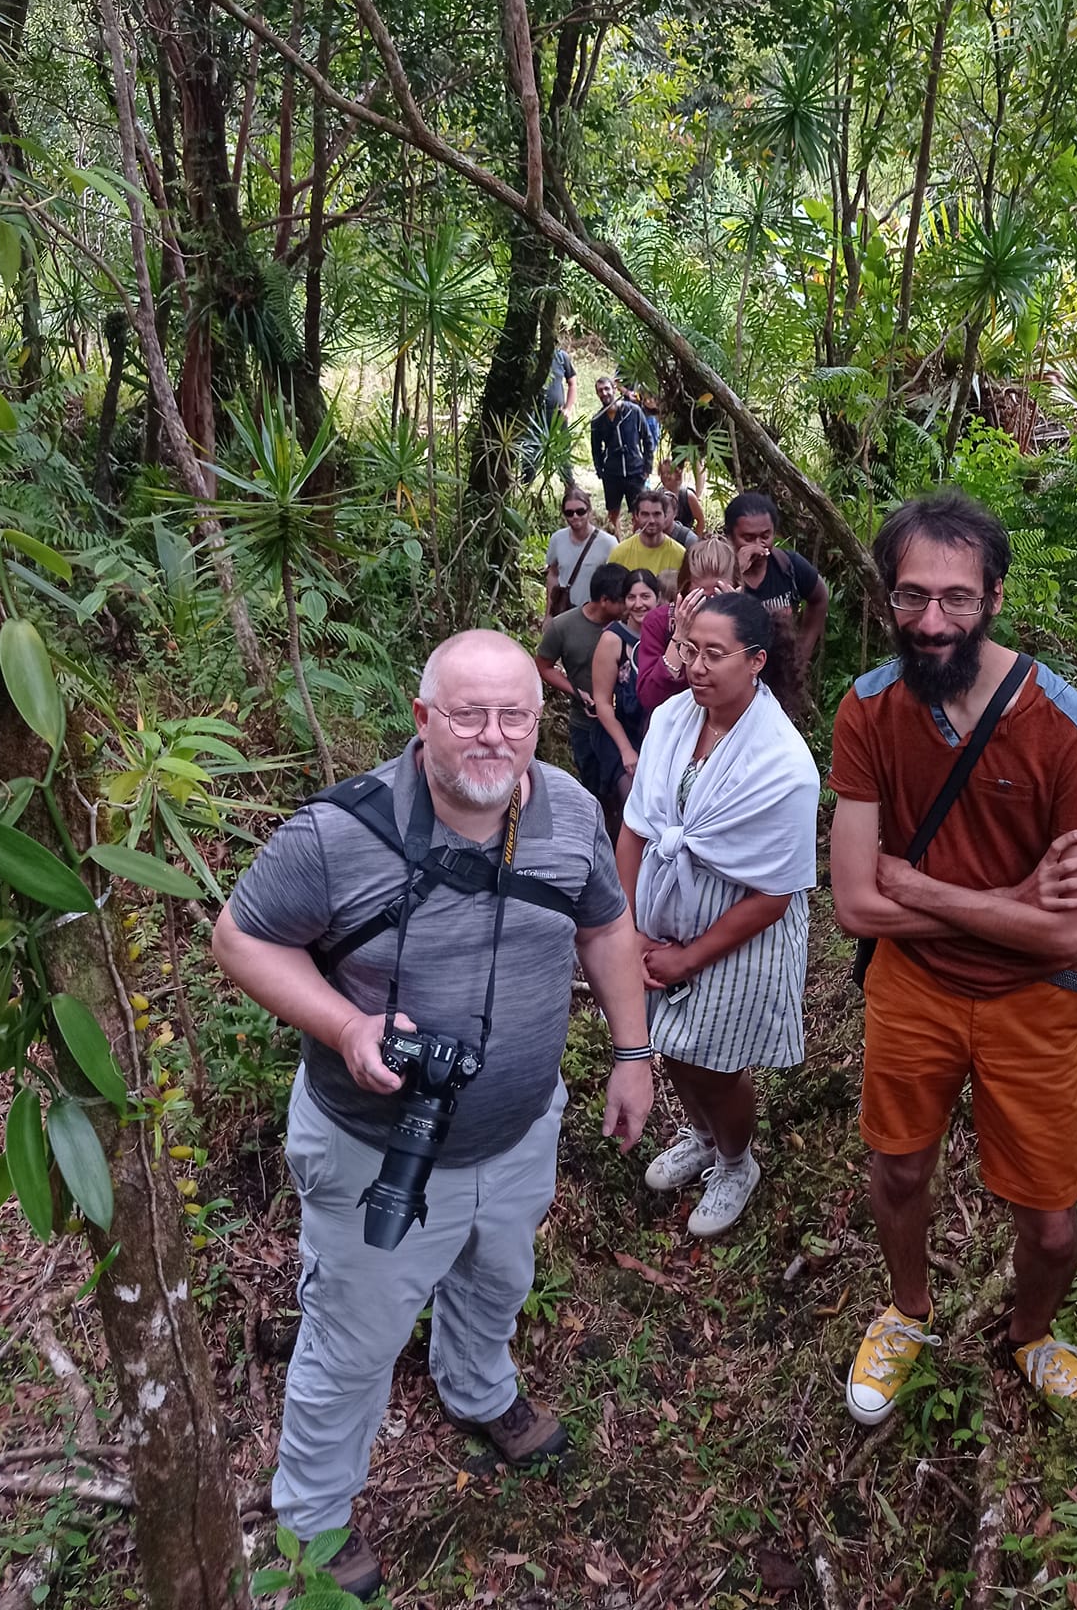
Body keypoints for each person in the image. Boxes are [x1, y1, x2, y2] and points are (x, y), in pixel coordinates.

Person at [211, 631, 653, 1600]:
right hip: (377, 1150)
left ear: (539, 720)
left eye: (514, 715)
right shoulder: (338, 834)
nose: (493, 736)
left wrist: (630, 1049)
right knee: (353, 1336)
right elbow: (239, 936)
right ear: (423, 720)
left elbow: (605, 922)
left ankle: (476, 1385)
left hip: (521, 1128)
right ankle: (314, 1521)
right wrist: (345, 1021)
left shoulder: (573, 810)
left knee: (499, 1276)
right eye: (468, 714)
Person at [828, 490, 1077, 1425]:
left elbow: (1067, 934)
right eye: (912, 598)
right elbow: (852, 902)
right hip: (913, 991)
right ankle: (908, 1311)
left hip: (1035, 1000)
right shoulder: (867, 710)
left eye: (955, 598)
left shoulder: (1068, 728)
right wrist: (1005, 908)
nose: (932, 621)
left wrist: (922, 889)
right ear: (887, 598)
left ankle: (1032, 1333)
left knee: (1051, 1219)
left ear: (993, 596)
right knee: (900, 1168)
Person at [617, 594, 818, 1239]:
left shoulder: (784, 765)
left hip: (737, 929)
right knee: (668, 1039)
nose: (695, 667)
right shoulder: (673, 718)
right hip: (663, 912)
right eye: (688, 650)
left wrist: (688, 956)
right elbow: (636, 827)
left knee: (715, 1059)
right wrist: (626, 927)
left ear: (756, 661)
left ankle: (736, 1161)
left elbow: (775, 894)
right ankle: (701, 1135)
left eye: (714, 654)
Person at [535, 563, 632, 793]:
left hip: (627, 725)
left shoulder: (630, 625)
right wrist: (576, 691)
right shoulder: (564, 626)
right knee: (592, 787)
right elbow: (543, 666)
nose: (630, 605)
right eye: (624, 599)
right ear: (605, 600)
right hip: (585, 724)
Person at [724, 491, 830, 673]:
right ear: (730, 536)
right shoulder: (719, 571)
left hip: (784, 675)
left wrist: (802, 654)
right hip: (736, 676)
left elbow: (820, 597)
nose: (759, 545)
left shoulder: (788, 566)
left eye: (766, 536)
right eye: (748, 538)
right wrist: (735, 572)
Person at [637, 535, 740, 714]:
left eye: (718, 596)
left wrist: (738, 622)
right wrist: (680, 634)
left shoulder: (751, 621)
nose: (709, 606)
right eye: (700, 597)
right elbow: (650, 697)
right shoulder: (658, 622)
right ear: (683, 593)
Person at [589, 569, 661, 812]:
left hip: (655, 735)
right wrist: (626, 750)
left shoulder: (669, 637)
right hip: (619, 732)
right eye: (632, 597)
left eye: (645, 596)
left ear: (657, 598)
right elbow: (603, 702)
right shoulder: (613, 639)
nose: (639, 604)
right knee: (632, 803)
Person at [544, 486, 616, 619]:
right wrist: (548, 614)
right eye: (569, 513)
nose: (575, 516)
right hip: (564, 611)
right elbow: (552, 575)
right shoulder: (557, 539)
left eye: (580, 511)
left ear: (589, 511)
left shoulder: (608, 543)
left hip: (595, 614)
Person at [591, 377, 652, 532]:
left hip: (635, 470)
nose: (604, 393)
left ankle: (637, 548)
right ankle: (617, 549)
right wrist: (600, 470)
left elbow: (647, 438)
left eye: (606, 389)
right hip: (612, 473)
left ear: (613, 388)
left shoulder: (633, 411)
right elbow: (596, 448)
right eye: (600, 390)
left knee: (639, 514)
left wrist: (647, 467)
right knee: (612, 515)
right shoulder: (597, 420)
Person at [610, 490, 687, 581]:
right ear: (636, 516)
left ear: (665, 516)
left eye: (657, 514)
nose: (651, 520)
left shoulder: (680, 554)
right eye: (645, 514)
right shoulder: (619, 553)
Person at [658, 457, 705, 534]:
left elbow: (701, 520)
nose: (665, 476)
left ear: (678, 475)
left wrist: (695, 541)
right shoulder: (658, 495)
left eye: (669, 473)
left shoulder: (688, 496)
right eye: (663, 473)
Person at [542, 346, 577, 427]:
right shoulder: (530, 357)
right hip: (535, 415)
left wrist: (568, 409)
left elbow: (572, 382)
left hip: (558, 415)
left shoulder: (560, 356)